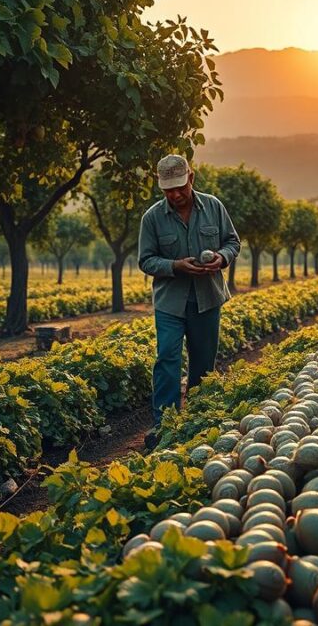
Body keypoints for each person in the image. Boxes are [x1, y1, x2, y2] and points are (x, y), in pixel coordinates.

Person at [138, 154, 240, 450]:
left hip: (207, 299)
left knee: (203, 364)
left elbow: (233, 242)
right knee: (167, 358)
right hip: (170, 302)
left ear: (191, 178)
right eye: (169, 190)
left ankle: (199, 421)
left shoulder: (214, 207)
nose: (176, 194)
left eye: (180, 187)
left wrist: (222, 258)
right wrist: (175, 266)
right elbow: (146, 260)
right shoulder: (153, 218)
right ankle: (164, 426)